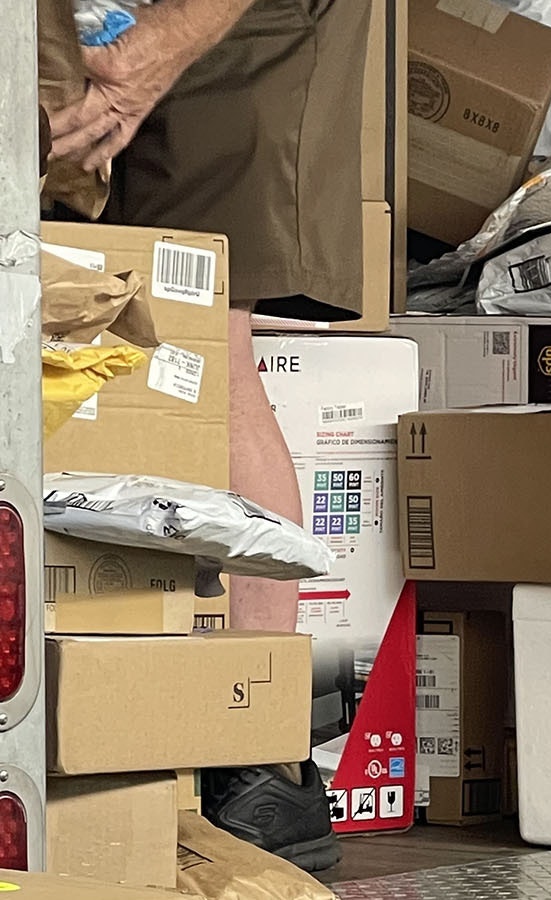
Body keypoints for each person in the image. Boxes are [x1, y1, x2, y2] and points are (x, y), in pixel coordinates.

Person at [46, 0, 371, 873]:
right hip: (103, 24)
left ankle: (261, 753)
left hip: (234, 26)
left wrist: (151, 51)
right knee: (93, 349)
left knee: (205, 351)